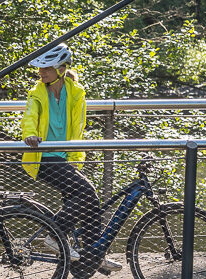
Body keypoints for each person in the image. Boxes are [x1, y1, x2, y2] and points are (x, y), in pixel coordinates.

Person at [19, 44, 122, 277]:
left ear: (62, 69)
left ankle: (94, 255)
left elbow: (78, 128)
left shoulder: (75, 93)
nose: (41, 72)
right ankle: (55, 237)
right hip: (42, 157)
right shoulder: (37, 93)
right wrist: (29, 135)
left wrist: (75, 158)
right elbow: (29, 117)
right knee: (87, 194)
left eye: (47, 68)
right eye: (40, 68)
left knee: (90, 202)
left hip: (65, 157)